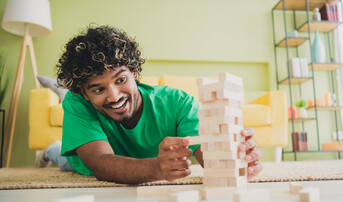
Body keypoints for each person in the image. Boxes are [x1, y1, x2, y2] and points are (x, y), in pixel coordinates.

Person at [35, 25, 263, 184]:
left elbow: (209, 155)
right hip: (90, 160)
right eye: (98, 89)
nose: (114, 96)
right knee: (64, 160)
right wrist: (156, 168)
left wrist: (235, 158)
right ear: (83, 94)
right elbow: (101, 164)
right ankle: (49, 150)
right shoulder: (77, 103)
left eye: (120, 79)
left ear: (134, 73)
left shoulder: (178, 103)